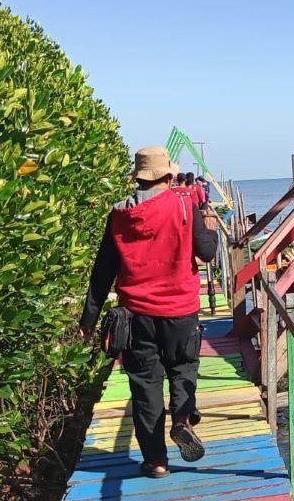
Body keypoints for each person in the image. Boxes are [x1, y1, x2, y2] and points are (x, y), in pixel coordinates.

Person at [79, 146, 217, 479]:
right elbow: (208, 252)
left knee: (145, 388)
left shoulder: (118, 216)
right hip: (181, 312)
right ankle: (182, 420)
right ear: (168, 176)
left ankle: (156, 461)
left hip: (136, 316)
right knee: (183, 370)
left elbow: (103, 272)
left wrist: (88, 321)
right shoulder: (186, 206)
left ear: (138, 178)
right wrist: (210, 228)